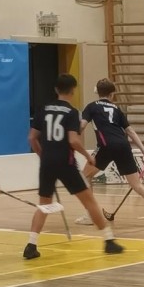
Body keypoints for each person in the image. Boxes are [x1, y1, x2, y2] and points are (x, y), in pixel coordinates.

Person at [25, 75, 125, 259]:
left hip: (47, 163)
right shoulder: (72, 112)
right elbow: (73, 140)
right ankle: (109, 241)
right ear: (73, 90)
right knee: (89, 201)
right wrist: (88, 156)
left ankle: (31, 245)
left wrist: (43, 156)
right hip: (66, 163)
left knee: (44, 205)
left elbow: (32, 138)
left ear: (56, 89)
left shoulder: (43, 109)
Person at [77, 78, 144, 227]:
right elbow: (130, 131)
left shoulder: (91, 106)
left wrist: (71, 137)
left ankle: (90, 215)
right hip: (123, 145)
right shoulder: (116, 109)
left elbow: (82, 126)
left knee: (85, 176)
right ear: (112, 94)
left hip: (106, 146)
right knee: (137, 185)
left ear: (97, 92)